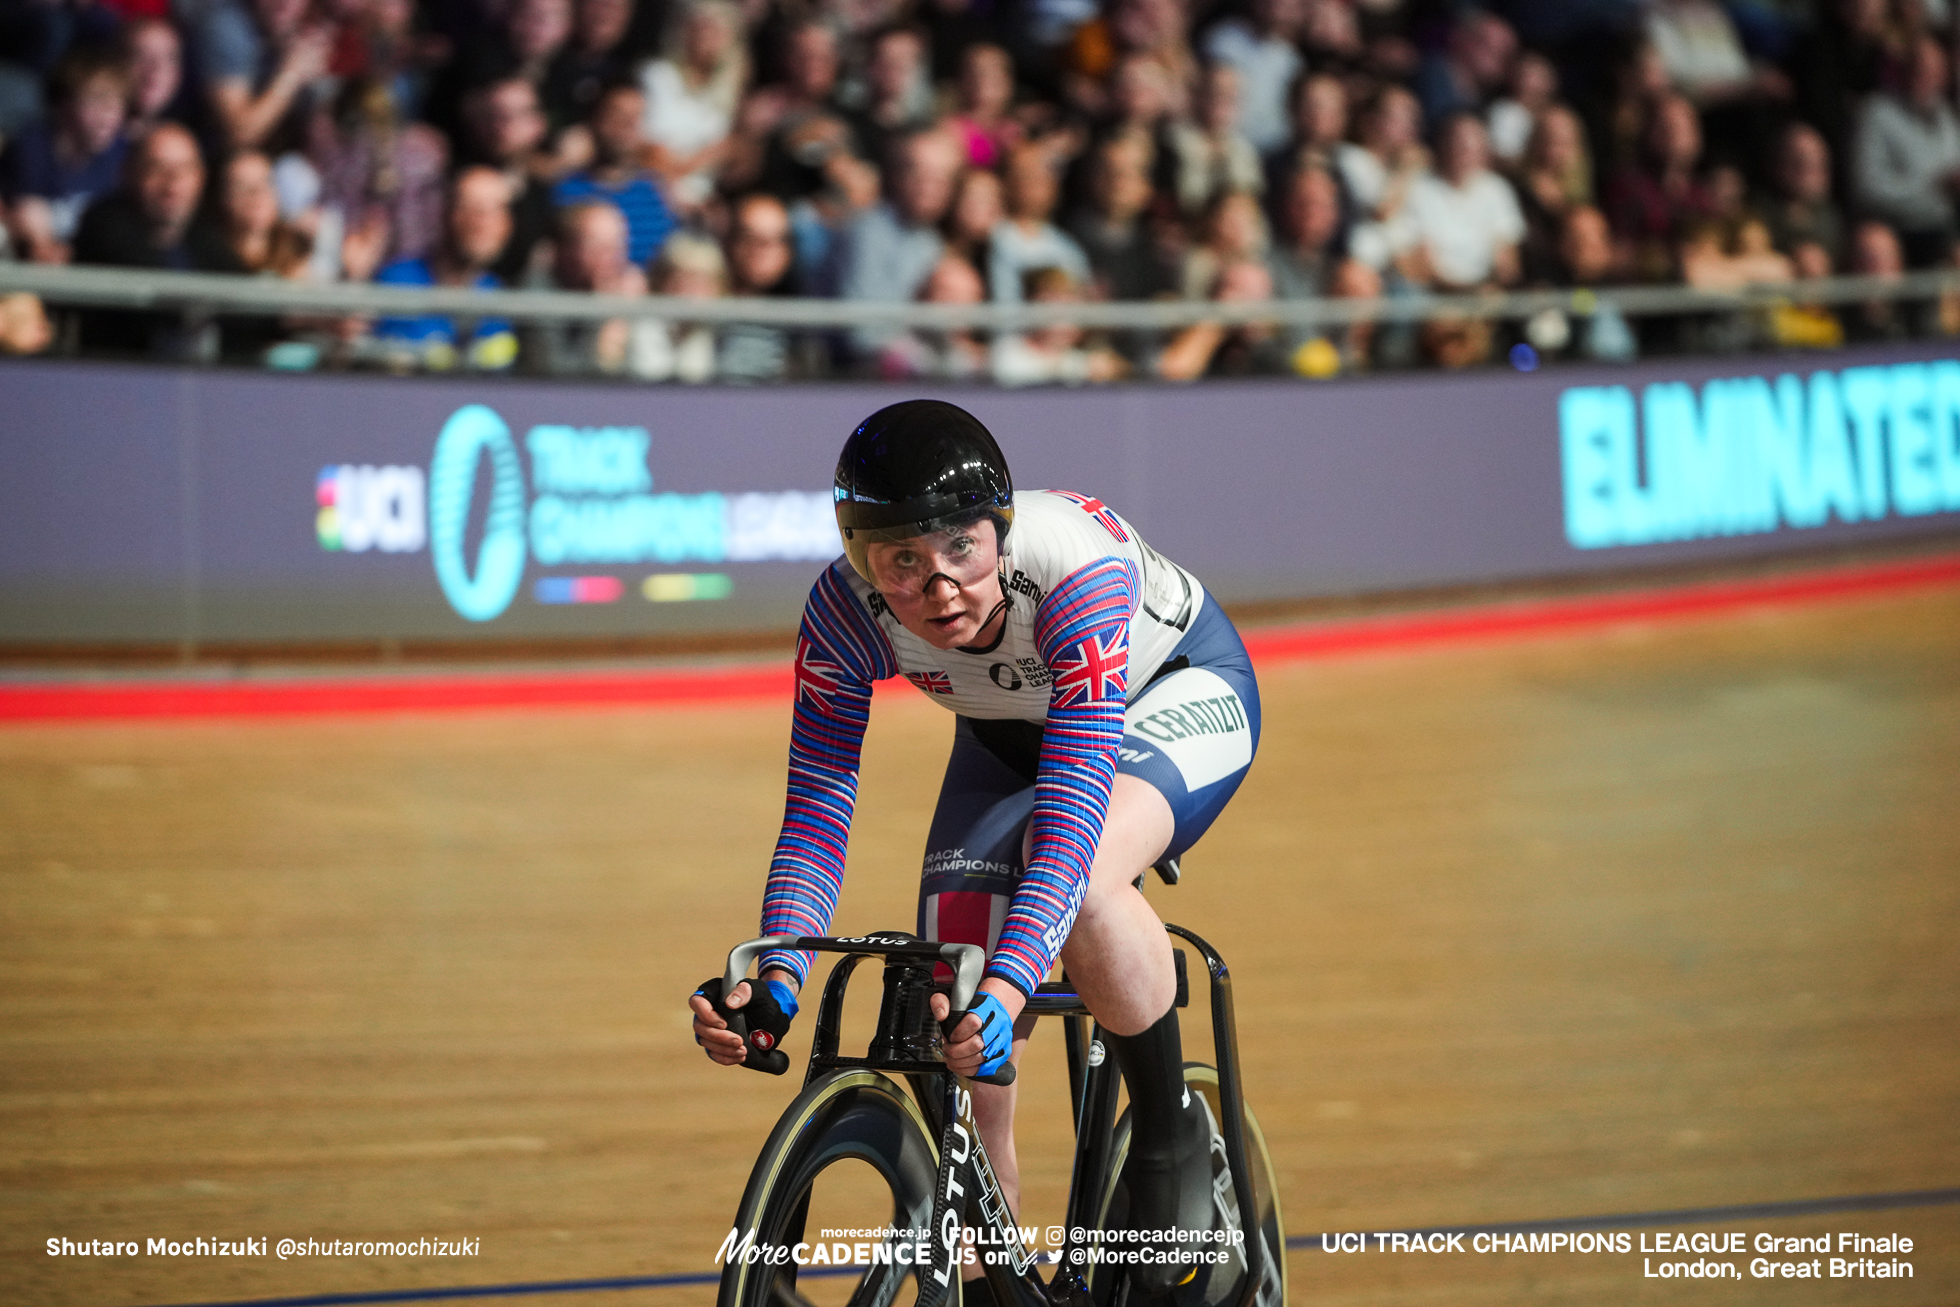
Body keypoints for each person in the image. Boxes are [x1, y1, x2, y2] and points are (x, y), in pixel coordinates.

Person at [689, 400, 1261, 1299]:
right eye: (903, 563)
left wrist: (1012, 980)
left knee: (1090, 882)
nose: (940, 584)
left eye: (961, 548)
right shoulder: (844, 612)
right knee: (951, 1002)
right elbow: (817, 809)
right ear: (859, 559)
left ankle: (1166, 1125)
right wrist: (777, 976)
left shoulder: (1072, 572)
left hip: (1171, 690)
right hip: (1005, 735)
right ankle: (997, 1273)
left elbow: (1069, 821)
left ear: (998, 528)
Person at [71, 122, 241, 358]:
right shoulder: (105, 222)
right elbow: (149, 294)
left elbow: (243, 292)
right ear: (129, 173)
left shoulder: (202, 235)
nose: (172, 184)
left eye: (184, 169)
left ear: (201, 178)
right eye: (156, 168)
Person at [369, 165, 518, 370]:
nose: (484, 223)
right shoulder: (399, 283)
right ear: (446, 213)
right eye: (472, 209)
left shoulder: (495, 295)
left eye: (496, 210)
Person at [1, 48, 130, 264]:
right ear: (63, 105)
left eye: (117, 103)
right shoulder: (32, 146)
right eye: (97, 101)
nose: (109, 114)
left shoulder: (123, 153)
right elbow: (30, 221)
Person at [1851, 35, 1960, 269]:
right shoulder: (1877, 114)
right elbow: (1868, 187)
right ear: (1903, 69)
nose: (1925, 77)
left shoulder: (1946, 119)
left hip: (1941, 228)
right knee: (1877, 247)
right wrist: (1934, 188)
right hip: (1893, 227)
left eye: (1933, 71)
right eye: (1918, 68)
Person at [552, 81, 678, 265]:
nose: (629, 125)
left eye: (637, 116)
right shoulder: (563, 191)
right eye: (617, 114)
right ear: (594, 118)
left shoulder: (660, 193)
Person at [988, 143, 1090, 302]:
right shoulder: (987, 237)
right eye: (1024, 176)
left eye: (1040, 177)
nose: (1032, 185)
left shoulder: (1067, 248)